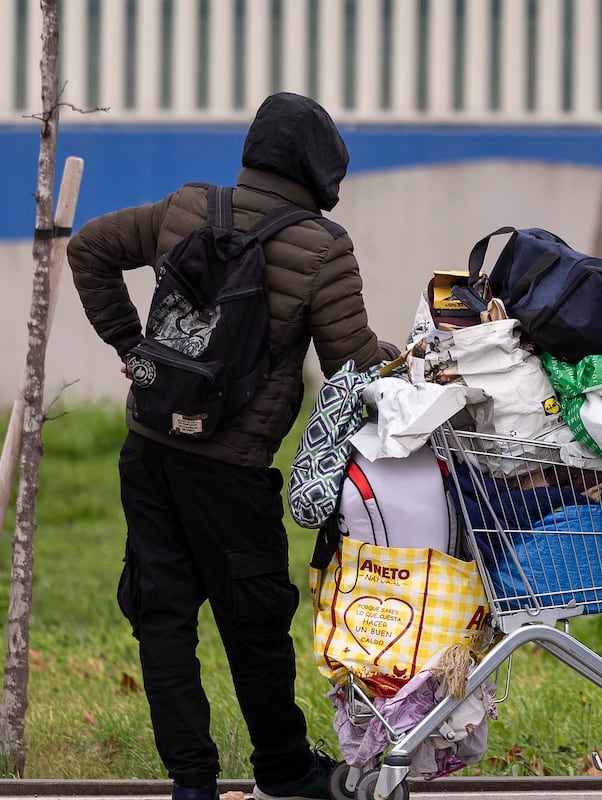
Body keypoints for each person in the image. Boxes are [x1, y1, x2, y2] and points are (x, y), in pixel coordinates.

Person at [67, 92, 396, 800]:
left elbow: (88, 247)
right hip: (233, 468)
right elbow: (353, 362)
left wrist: (134, 348)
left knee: (162, 616)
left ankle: (192, 782)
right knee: (254, 624)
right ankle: (283, 769)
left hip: (149, 449)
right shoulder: (321, 247)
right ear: (320, 170)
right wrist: (410, 359)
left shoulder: (188, 207)